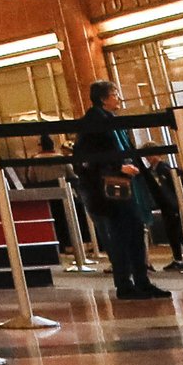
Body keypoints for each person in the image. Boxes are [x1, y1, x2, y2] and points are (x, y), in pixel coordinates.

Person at [70, 82, 167, 300]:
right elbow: (85, 160)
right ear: (103, 99)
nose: (119, 98)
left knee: (134, 231)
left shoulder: (114, 122)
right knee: (121, 235)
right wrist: (117, 168)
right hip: (109, 189)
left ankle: (141, 281)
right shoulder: (93, 124)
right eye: (114, 94)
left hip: (125, 184)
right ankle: (126, 283)